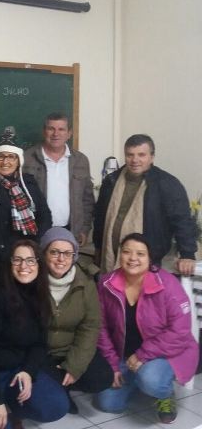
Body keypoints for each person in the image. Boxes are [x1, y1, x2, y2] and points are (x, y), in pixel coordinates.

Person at [0, 240, 69, 429]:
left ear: (39, 264)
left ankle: (12, 410)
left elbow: (40, 344)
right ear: (9, 264)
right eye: (17, 260)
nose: (24, 266)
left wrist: (28, 372)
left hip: (15, 370)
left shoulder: (41, 295)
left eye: (30, 260)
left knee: (56, 405)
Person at [96, 233, 199, 424]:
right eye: (127, 252)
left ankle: (164, 393)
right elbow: (100, 327)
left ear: (150, 258)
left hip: (166, 352)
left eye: (140, 254)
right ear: (120, 254)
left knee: (151, 380)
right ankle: (138, 379)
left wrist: (142, 355)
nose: (132, 258)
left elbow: (180, 331)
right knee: (109, 404)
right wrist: (112, 363)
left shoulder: (167, 284)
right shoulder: (106, 283)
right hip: (124, 354)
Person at [93, 134, 197, 274]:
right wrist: (98, 247)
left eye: (141, 155)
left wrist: (187, 254)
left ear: (152, 157)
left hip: (150, 259)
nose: (135, 160)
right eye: (130, 155)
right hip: (111, 254)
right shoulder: (111, 181)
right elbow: (100, 217)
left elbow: (182, 221)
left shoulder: (167, 184)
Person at [39, 227, 113, 414]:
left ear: (74, 256)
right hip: (40, 352)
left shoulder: (85, 283)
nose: (61, 259)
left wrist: (74, 366)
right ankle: (58, 387)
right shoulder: (32, 279)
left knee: (102, 376)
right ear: (44, 253)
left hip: (70, 348)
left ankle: (64, 383)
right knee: (49, 400)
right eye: (54, 252)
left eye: (67, 253)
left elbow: (90, 327)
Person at [0, 128, 52, 290]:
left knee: (28, 297)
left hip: (28, 257)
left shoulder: (29, 183)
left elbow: (45, 215)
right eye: (0, 156)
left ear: (18, 161)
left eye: (11, 157)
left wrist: (34, 245)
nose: (5, 161)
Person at [24, 113, 94, 246]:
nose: (56, 134)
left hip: (70, 231)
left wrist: (84, 229)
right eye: (51, 128)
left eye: (61, 129)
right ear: (44, 131)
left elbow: (87, 200)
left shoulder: (81, 160)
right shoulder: (26, 158)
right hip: (36, 232)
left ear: (69, 133)